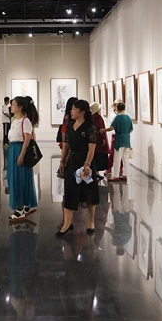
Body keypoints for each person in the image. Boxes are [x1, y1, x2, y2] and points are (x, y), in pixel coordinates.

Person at [57, 100, 100, 236]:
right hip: (72, 161)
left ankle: (91, 221)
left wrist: (87, 164)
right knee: (69, 190)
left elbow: (92, 148)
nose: (71, 111)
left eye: (74, 109)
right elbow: (66, 145)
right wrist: (62, 161)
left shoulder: (91, 127)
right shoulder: (70, 125)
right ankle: (67, 223)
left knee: (89, 191)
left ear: (82, 111)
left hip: (85, 161)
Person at [6, 96, 39, 221]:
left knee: (20, 179)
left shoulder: (25, 121)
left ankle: (20, 208)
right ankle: (25, 206)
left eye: (13, 104)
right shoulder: (15, 120)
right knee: (14, 178)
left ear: (20, 107)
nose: (11, 106)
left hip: (20, 150)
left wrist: (21, 155)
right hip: (13, 149)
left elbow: (27, 140)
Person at [101, 102, 133, 182]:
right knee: (125, 159)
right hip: (127, 140)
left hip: (119, 140)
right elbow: (130, 129)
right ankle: (125, 174)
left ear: (117, 109)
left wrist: (104, 130)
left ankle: (115, 175)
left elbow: (111, 128)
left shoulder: (118, 117)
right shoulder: (128, 117)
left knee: (117, 158)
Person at [89, 102, 109, 179]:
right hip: (99, 140)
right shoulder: (98, 117)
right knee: (99, 156)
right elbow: (101, 129)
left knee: (94, 155)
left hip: (93, 140)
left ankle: (95, 171)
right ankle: (96, 172)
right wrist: (103, 138)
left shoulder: (91, 117)